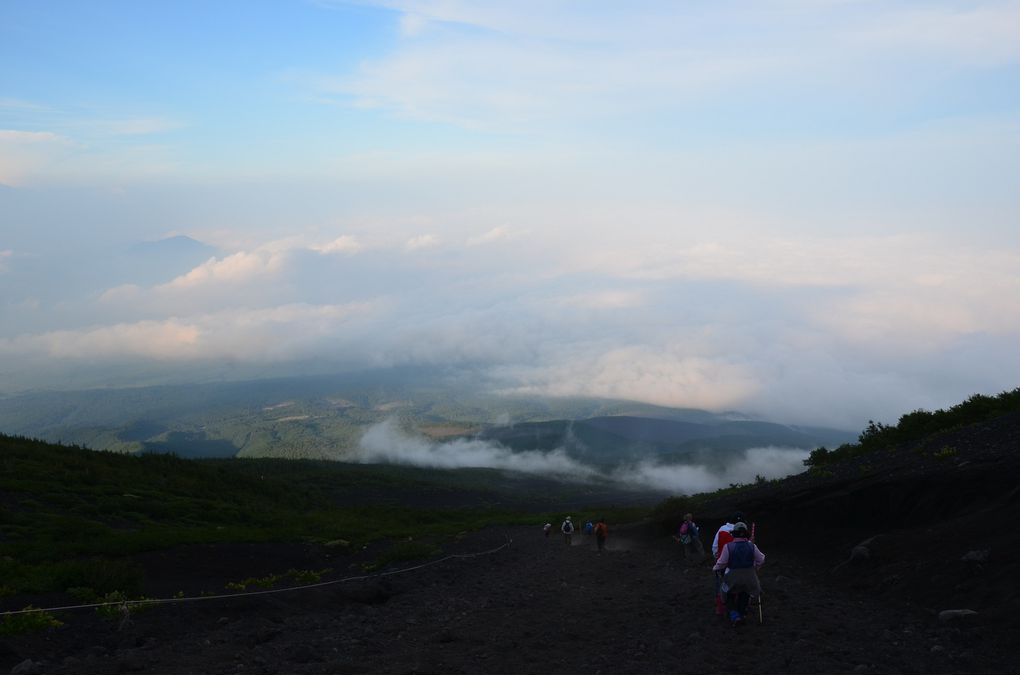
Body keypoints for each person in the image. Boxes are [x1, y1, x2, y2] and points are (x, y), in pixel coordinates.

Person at [712, 521, 764, 626]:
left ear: (734, 533)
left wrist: (715, 568)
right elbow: (761, 559)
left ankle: (735, 615)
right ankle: (741, 613)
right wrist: (756, 567)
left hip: (733, 577)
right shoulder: (752, 546)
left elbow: (722, 563)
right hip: (750, 577)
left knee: (726, 593)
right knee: (745, 591)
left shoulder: (728, 547)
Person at [711, 513, 742, 615]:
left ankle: (720, 605)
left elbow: (715, 546)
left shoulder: (722, 529)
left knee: (721, 583)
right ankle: (736, 603)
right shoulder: (742, 531)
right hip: (736, 564)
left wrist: (717, 558)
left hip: (722, 562)